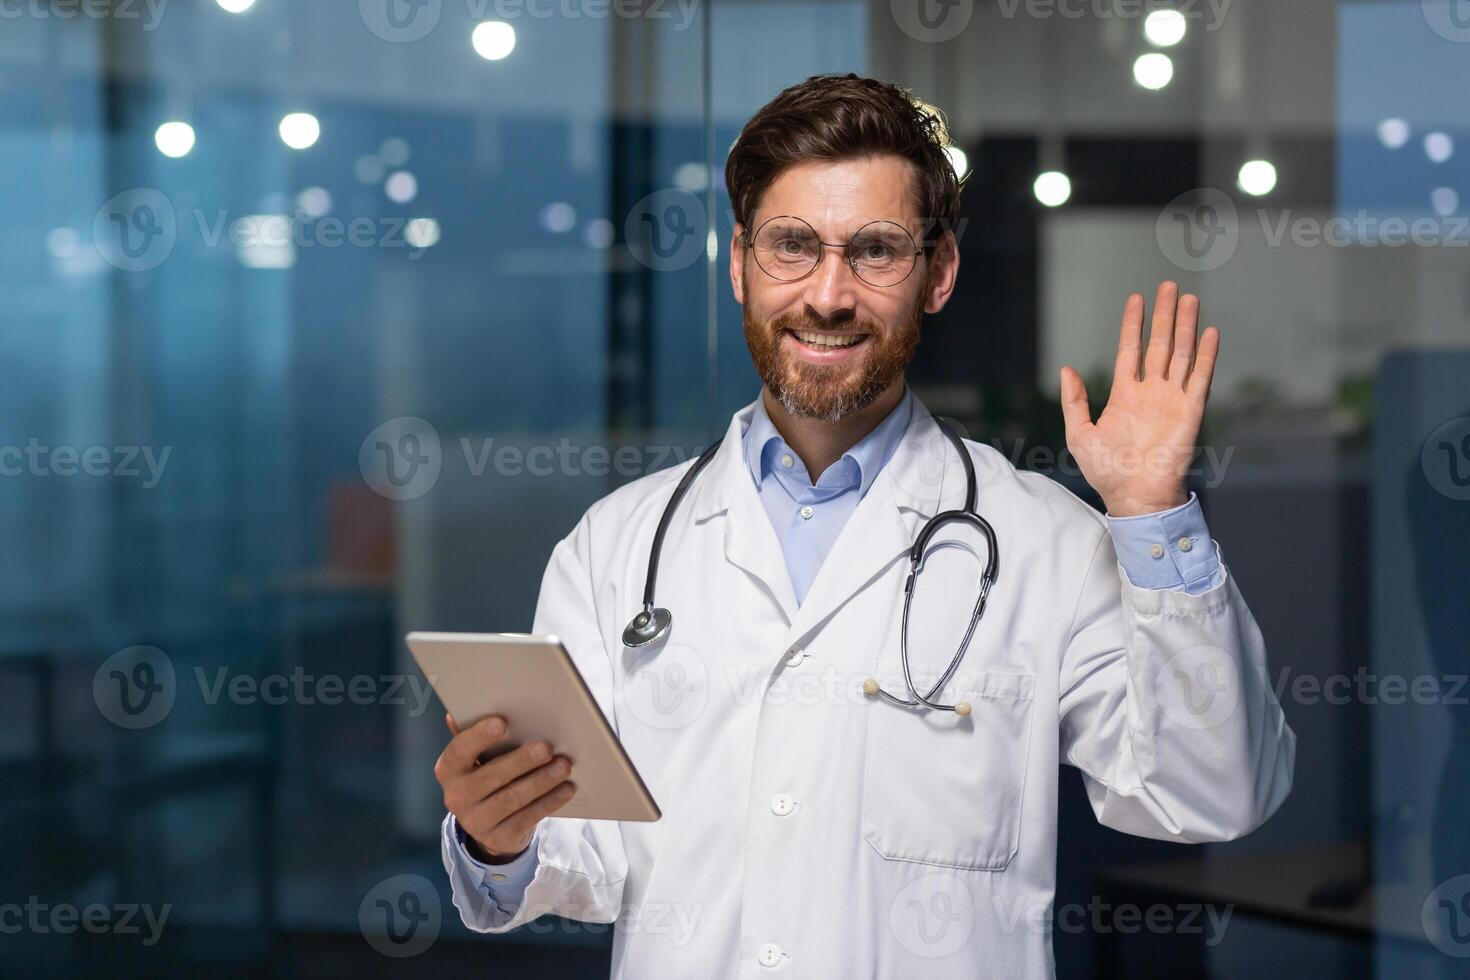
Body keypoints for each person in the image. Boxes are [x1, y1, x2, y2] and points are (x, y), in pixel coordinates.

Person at [433, 73, 1295, 978]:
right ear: (738, 263)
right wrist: (501, 839)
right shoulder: (616, 549)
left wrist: (1153, 513)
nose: (830, 294)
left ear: (940, 272)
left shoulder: (1048, 544)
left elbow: (1212, 796)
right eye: (792, 247)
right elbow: (584, 866)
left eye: (876, 250)